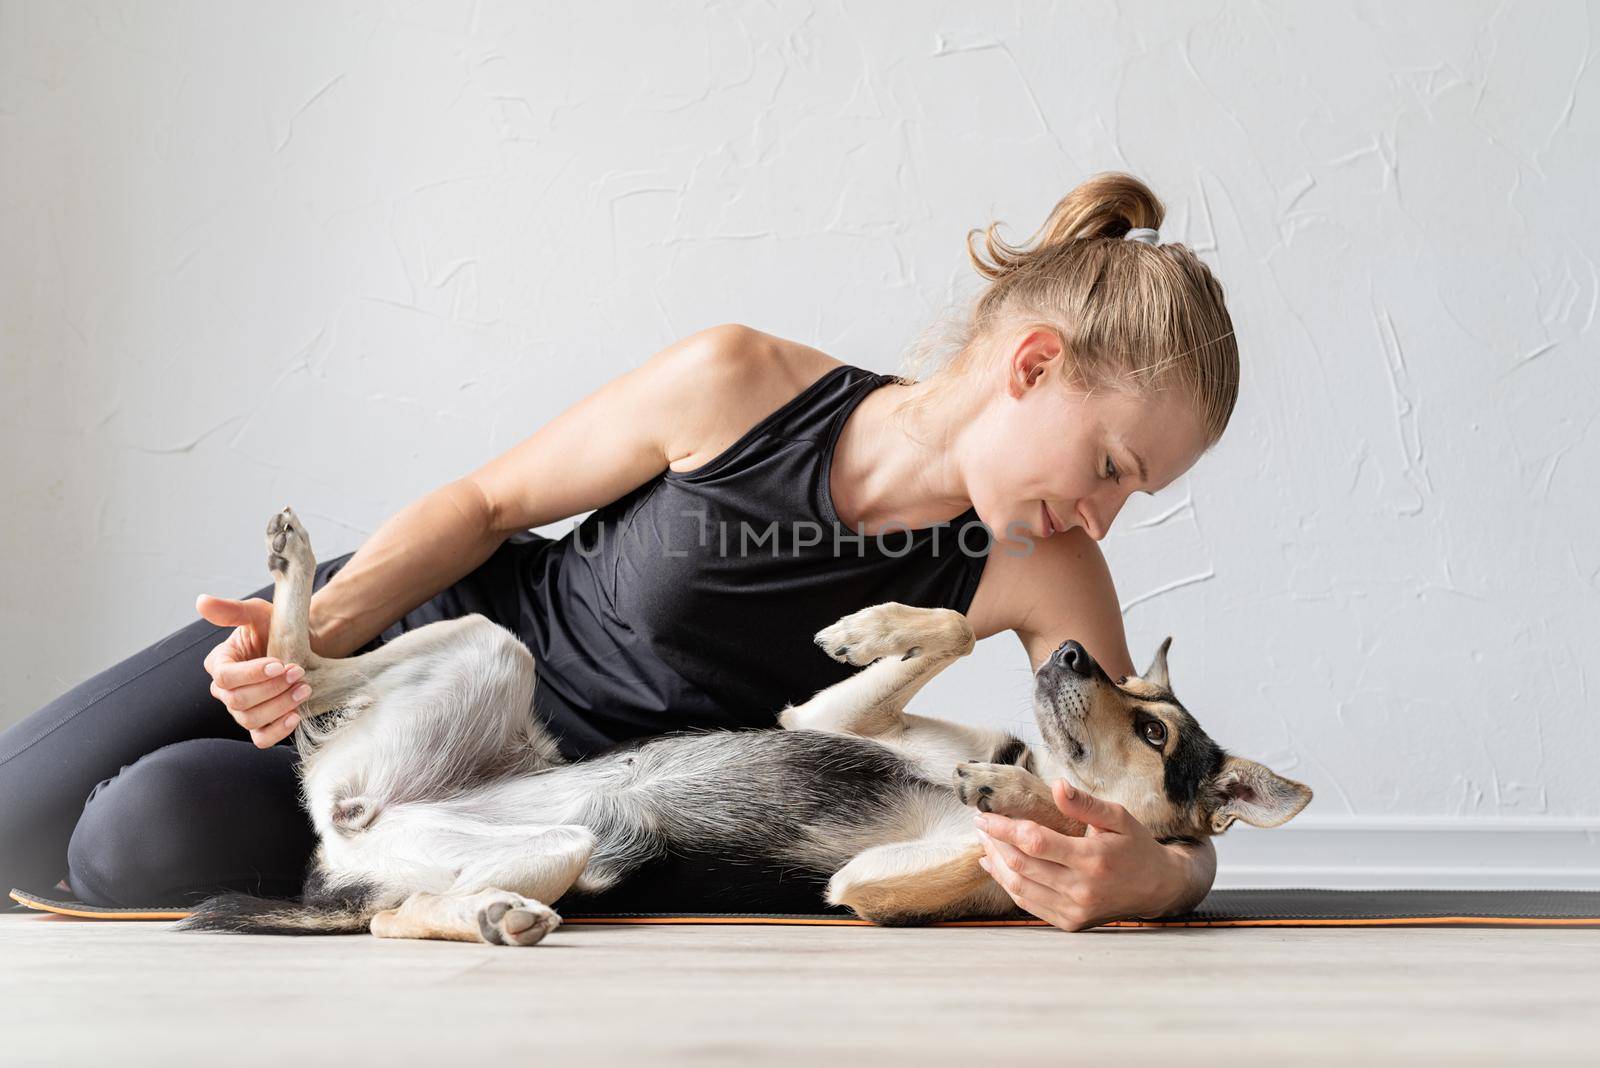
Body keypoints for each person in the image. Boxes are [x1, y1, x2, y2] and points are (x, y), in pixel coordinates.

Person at [0, 172, 1237, 930]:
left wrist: (1151, 887)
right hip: (421, 648)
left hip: (516, 811)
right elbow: (485, 506)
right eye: (1113, 467)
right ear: (1031, 370)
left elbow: (1152, 819)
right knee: (12, 815)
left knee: (134, 842)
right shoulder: (737, 379)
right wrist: (312, 634)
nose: (1104, 517)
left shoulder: (1040, 570)